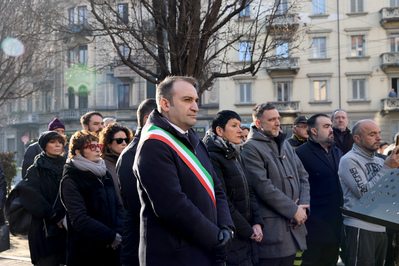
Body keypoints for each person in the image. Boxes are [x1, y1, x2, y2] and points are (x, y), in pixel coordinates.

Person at [133, 76, 234, 265]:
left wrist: (227, 228)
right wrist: (217, 239)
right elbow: (173, 206)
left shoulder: (193, 138)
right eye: (187, 100)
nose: (195, 107)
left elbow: (217, 188)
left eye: (196, 100)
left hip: (205, 249)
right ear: (165, 104)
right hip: (176, 255)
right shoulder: (153, 143)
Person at [241, 103, 310, 266]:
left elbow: (303, 176)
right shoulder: (250, 148)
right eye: (272, 119)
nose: (277, 122)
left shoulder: (285, 144)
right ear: (258, 124)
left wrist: (304, 207)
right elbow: (263, 187)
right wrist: (294, 211)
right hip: (273, 233)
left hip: (295, 228)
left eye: (277, 118)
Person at [203, 110, 264, 265]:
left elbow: (249, 190)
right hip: (233, 236)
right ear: (219, 130)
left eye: (239, 125)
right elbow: (222, 200)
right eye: (234, 125)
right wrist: (247, 230)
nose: (239, 130)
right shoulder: (212, 157)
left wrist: (257, 222)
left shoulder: (236, 152)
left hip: (248, 235)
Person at [338, 119, 399, 266]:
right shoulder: (349, 160)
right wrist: (387, 169)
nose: (379, 138)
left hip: (382, 226)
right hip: (360, 227)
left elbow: (390, 194)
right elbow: (366, 195)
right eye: (372, 134)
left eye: (378, 133)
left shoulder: (380, 161)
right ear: (357, 138)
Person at [60, 130, 124, 266]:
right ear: (77, 152)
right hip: (86, 252)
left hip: (112, 249)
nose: (97, 150)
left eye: (98, 146)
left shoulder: (104, 172)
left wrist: (117, 234)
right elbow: (79, 219)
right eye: (92, 147)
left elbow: (118, 205)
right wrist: (110, 236)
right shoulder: (71, 179)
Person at [295, 114, 343, 266]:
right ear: (314, 131)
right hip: (313, 226)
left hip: (336, 224)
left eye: (331, 125)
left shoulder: (337, 151)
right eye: (326, 126)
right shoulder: (300, 154)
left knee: (331, 262)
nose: (331, 129)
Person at [116, 98, 157, 266]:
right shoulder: (131, 155)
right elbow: (138, 207)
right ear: (148, 119)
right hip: (141, 244)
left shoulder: (152, 149)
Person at [19, 131, 67, 266]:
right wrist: (53, 215)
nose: (57, 145)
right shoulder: (35, 169)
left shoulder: (68, 166)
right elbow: (30, 197)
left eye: (60, 142)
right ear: (44, 146)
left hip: (67, 226)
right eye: (52, 142)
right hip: (43, 228)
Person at [99, 124, 132, 203]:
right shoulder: (102, 165)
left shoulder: (131, 161)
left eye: (126, 140)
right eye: (119, 141)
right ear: (108, 144)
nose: (124, 143)